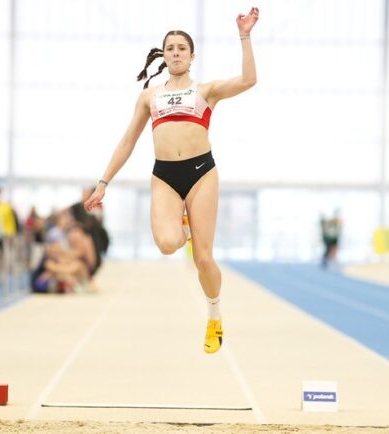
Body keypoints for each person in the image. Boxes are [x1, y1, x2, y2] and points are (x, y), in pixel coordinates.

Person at [84, 8, 259, 354]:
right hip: (165, 175)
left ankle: (214, 314)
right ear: (163, 56)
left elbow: (249, 79)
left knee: (203, 260)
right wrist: (103, 182)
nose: (176, 53)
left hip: (201, 173)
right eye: (170, 48)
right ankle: (185, 226)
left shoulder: (206, 90)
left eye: (182, 48)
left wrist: (245, 36)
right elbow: (128, 141)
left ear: (192, 56)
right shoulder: (150, 97)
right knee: (166, 243)